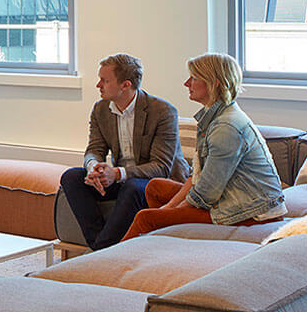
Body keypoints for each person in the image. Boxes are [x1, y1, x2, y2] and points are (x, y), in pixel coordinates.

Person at [121, 52, 286, 241]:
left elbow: (207, 193)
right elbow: (197, 175)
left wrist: (167, 214)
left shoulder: (226, 127)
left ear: (214, 82)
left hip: (252, 211)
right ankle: (164, 242)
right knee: (155, 187)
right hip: (231, 196)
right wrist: (169, 210)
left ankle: (112, 261)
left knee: (146, 218)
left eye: (194, 78)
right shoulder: (214, 117)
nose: (186, 83)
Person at [59, 53, 191, 250]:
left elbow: (161, 167)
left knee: (132, 187)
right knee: (72, 177)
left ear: (125, 85)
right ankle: (100, 245)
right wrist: (94, 168)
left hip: (154, 183)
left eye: (104, 80)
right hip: (121, 179)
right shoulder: (100, 109)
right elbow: (94, 149)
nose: (98, 85)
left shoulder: (162, 111)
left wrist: (117, 173)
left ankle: (99, 251)